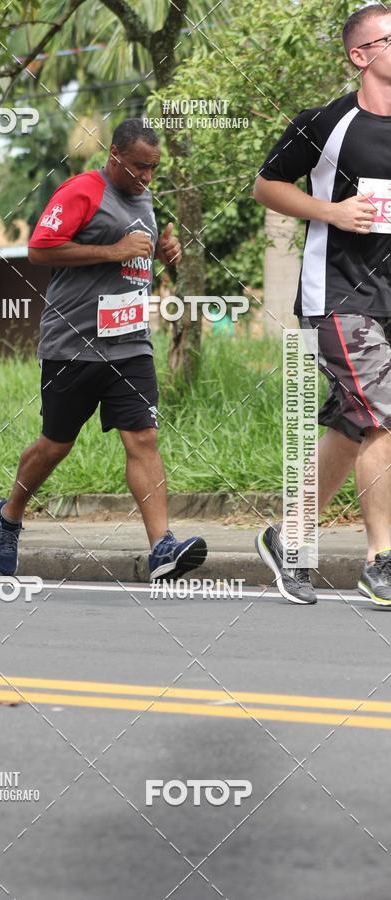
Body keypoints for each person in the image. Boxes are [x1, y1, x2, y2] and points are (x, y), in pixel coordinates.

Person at [0, 118, 207, 582]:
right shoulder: (81, 191)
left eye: (154, 168)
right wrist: (114, 251)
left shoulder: (144, 198)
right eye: (139, 167)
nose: (147, 177)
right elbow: (40, 250)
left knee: (143, 438)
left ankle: (162, 548)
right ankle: (8, 518)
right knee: (55, 446)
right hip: (73, 344)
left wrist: (165, 251)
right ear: (115, 158)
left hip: (130, 344)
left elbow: (138, 253)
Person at [253, 4, 391, 605]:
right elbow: (266, 186)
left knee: (353, 421)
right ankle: (380, 559)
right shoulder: (327, 123)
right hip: (338, 295)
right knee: (385, 414)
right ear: (362, 55)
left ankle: (289, 538)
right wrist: (331, 212)